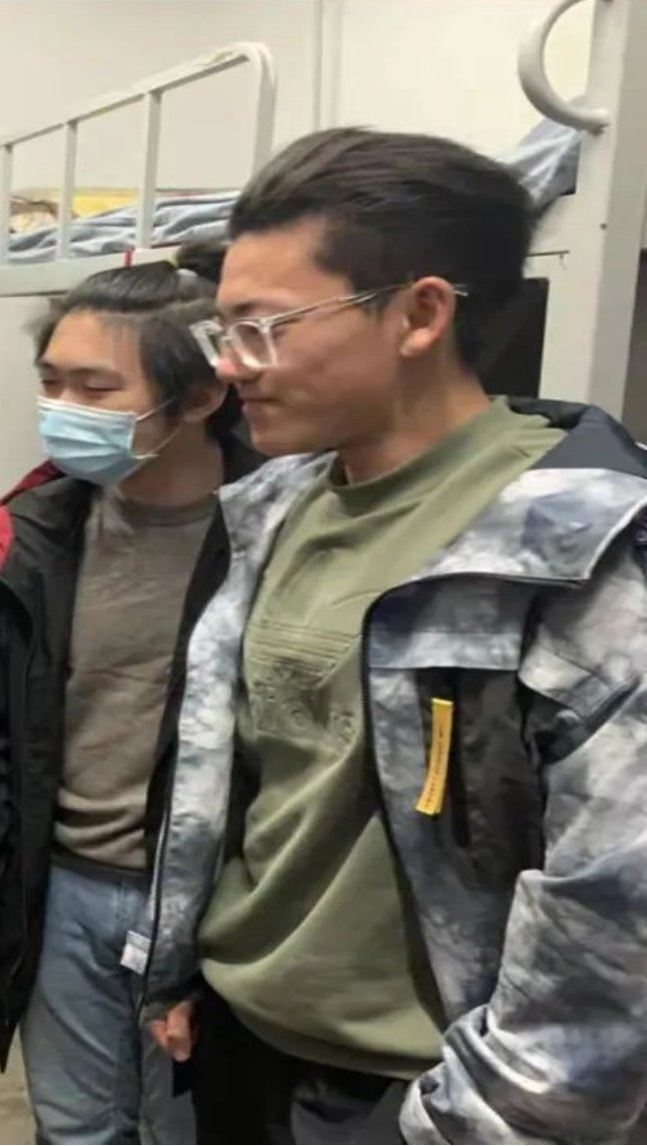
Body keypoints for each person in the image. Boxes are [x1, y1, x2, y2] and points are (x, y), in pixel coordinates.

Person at [143, 126, 647, 1144]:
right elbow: (242, 782)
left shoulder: (583, 549)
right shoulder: (273, 508)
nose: (232, 367)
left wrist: (480, 1119)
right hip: (242, 1042)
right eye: (221, 332)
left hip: (422, 1089)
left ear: (419, 314)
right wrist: (183, 964)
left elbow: (616, 915)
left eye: (263, 329)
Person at [0, 250, 255, 1144]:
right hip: (61, 886)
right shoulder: (33, 535)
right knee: (73, 1127)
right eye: (51, 383)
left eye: (96, 388)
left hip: (212, 899)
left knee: (189, 1128)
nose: (62, 409)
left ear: (200, 397)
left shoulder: (277, 533)